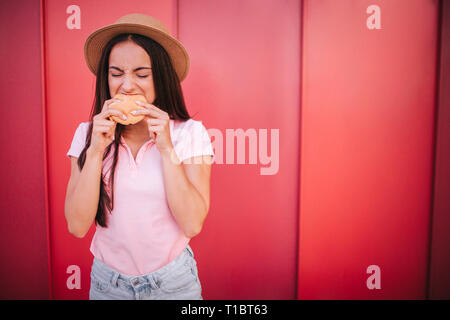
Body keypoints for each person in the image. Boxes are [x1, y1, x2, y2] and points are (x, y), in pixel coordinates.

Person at [64, 13, 214, 300]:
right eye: (116, 73)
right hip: (109, 286)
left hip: (173, 284)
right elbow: (77, 225)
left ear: (162, 77)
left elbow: (192, 222)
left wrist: (168, 150)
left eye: (142, 74)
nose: (127, 86)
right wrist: (95, 151)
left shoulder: (190, 133)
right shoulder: (87, 134)